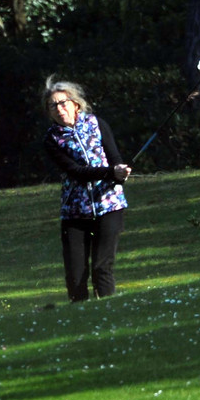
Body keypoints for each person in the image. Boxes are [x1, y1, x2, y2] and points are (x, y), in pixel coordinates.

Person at [42, 77, 130, 302]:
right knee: (75, 274)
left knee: (102, 267)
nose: (59, 109)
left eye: (63, 103)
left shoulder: (97, 124)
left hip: (109, 204)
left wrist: (120, 171)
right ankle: (79, 320)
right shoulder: (51, 139)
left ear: (76, 104)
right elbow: (76, 172)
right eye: (53, 105)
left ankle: (109, 316)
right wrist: (111, 172)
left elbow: (114, 157)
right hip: (74, 211)